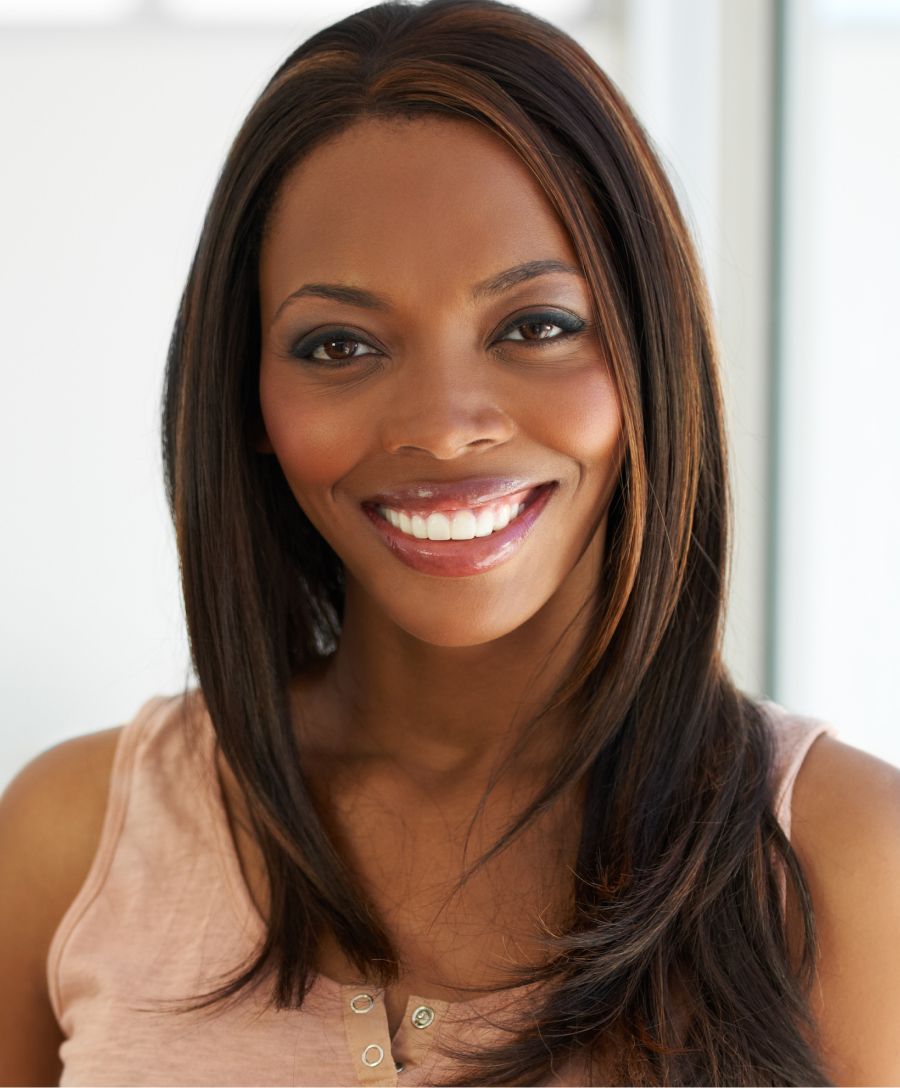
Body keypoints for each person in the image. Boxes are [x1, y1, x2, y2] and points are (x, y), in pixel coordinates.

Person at [2, 0, 899, 1084]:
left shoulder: (852, 863)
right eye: (340, 345)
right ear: (246, 393)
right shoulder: (66, 841)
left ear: (649, 353)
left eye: (536, 326)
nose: (440, 424)